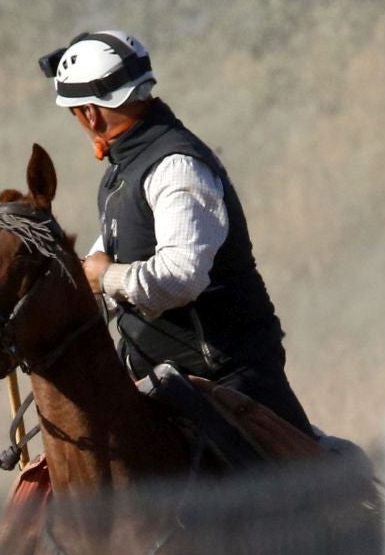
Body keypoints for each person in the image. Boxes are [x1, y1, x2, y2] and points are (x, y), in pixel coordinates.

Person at [40, 30, 312, 461]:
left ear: (91, 114)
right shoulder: (120, 175)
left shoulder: (175, 167)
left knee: (288, 513)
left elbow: (180, 278)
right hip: (163, 384)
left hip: (228, 380)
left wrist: (103, 276)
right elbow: (106, 273)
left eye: (75, 113)